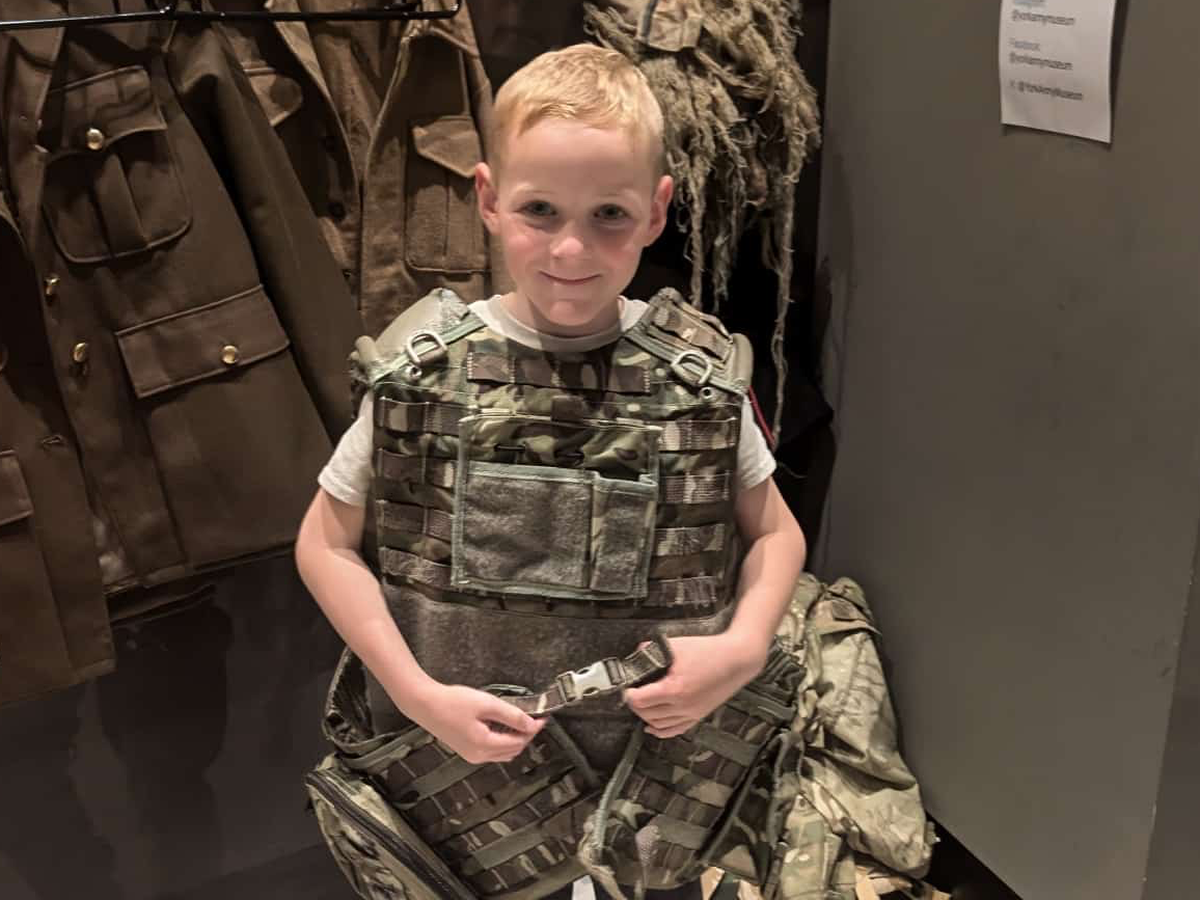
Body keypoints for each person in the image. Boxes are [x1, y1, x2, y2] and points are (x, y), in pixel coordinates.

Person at [294, 42, 808, 900]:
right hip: (466, 791)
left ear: (657, 211)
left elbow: (775, 535)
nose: (572, 247)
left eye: (609, 214)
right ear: (489, 200)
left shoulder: (699, 381)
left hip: (657, 788)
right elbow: (324, 543)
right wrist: (416, 694)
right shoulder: (419, 374)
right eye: (540, 209)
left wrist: (743, 648)